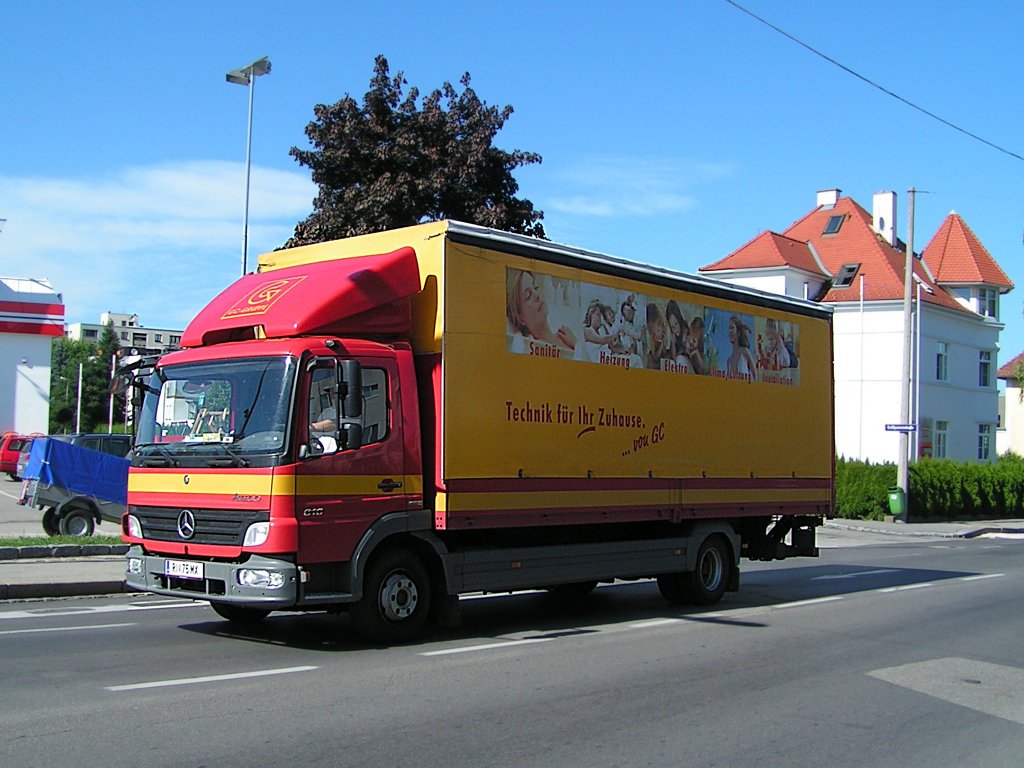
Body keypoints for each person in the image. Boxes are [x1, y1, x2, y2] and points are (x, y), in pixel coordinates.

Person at [506, 269, 577, 352]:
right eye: (528, 296)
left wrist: (576, 344)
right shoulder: (530, 347)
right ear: (520, 318)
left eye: (536, 287)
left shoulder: (567, 336)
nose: (537, 295)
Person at [726, 315, 756, 380]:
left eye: (732, 328)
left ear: (738, 333)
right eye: (729, 329)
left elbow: (754, 373)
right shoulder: (729, 360)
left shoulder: (744, 351)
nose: (730, 331)